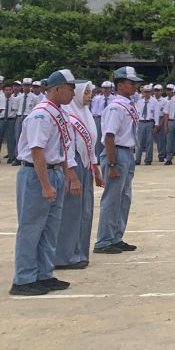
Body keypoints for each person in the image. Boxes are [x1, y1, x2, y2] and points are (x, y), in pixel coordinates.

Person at [10, 69, 82, 296]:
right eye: (71, 89)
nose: (73, 93)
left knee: (50, 228)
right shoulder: (41, 115)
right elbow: (37, 152)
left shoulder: (58, 113)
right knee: (32, 228)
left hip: (54, 172)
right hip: (37, 174)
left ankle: (44, 274)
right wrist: (45, 185)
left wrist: (68, 175)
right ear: (57, 88)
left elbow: (61, 150)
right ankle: (24, 278)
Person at [94, 66, 142, 255]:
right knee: (112, 198)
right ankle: (104, 240)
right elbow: (109, 137)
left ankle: (116, 237)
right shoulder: (115, 107)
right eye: (131, 83)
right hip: (117, 153)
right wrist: (112, 164)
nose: (135, 87)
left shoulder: (127, 104)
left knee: (123, 198)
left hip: (127, 152)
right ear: (120, 85)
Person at [56, 80, 103, 271]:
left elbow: (90, 145)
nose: (89, 96)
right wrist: (72, 175)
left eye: (90, 93)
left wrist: (95, 168)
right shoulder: (67, 115)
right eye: (86, 93)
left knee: (85, 210)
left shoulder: (87, 114)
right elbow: (67, 148)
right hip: (72, 165)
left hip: (85, 165)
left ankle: (79, 252)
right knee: (71, 211)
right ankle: (64, 256)